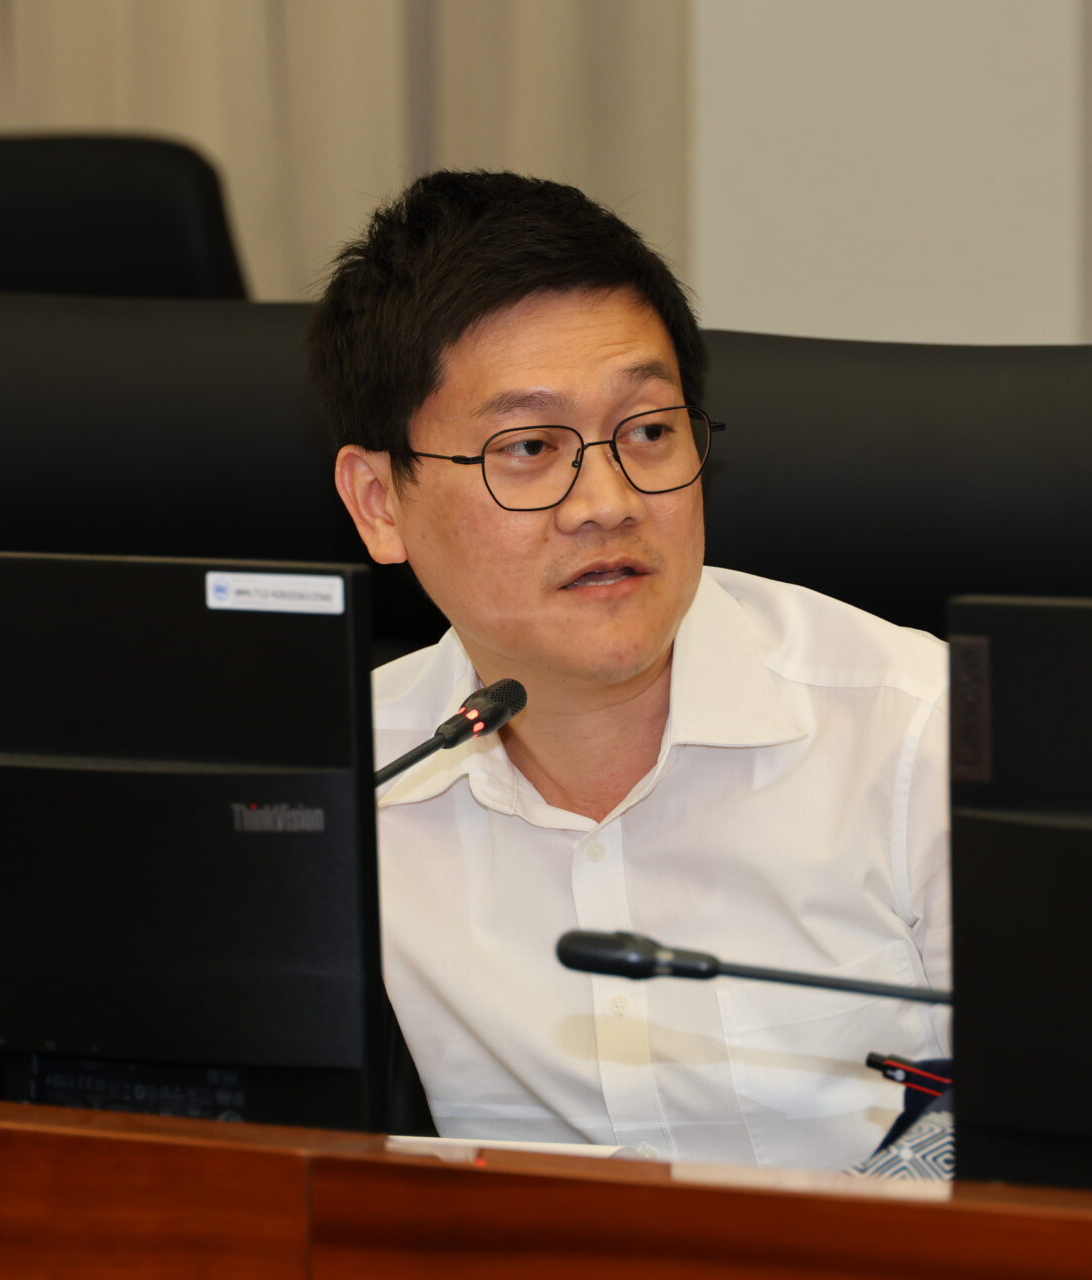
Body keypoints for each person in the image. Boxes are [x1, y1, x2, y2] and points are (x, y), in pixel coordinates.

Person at [311, 170, 949, 1171]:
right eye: (529, 446)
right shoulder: (345, 779)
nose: (607, 501)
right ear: (379, 502)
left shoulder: (922, 738)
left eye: (649, 431)